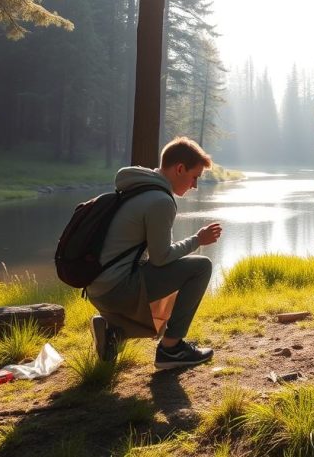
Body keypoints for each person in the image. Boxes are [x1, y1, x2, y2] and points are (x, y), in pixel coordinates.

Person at [87, 137, 223, 369]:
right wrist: (197, 240)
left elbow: (155, 257)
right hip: (117, 289)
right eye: (194, 177)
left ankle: (114, 332)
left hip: (97, 289)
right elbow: (161, 258)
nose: (194, 186)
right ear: (180, 169)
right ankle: (171, 349)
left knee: (170, 269)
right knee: (200, 266)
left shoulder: (138, 188)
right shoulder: (160, 200)